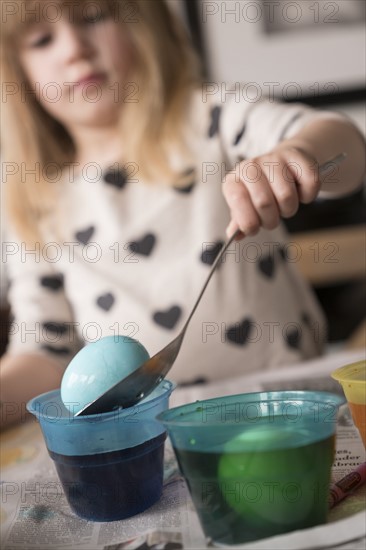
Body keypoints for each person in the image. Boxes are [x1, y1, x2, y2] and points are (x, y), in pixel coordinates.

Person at [1, 0, 365, 430]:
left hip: (290, 414)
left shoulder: (213, 118)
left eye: (94, 17)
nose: (74, 50)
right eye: (42, 40)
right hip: (158, 436)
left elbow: (347, 151)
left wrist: (297, 154)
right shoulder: (33, 197)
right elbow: (44, 349)